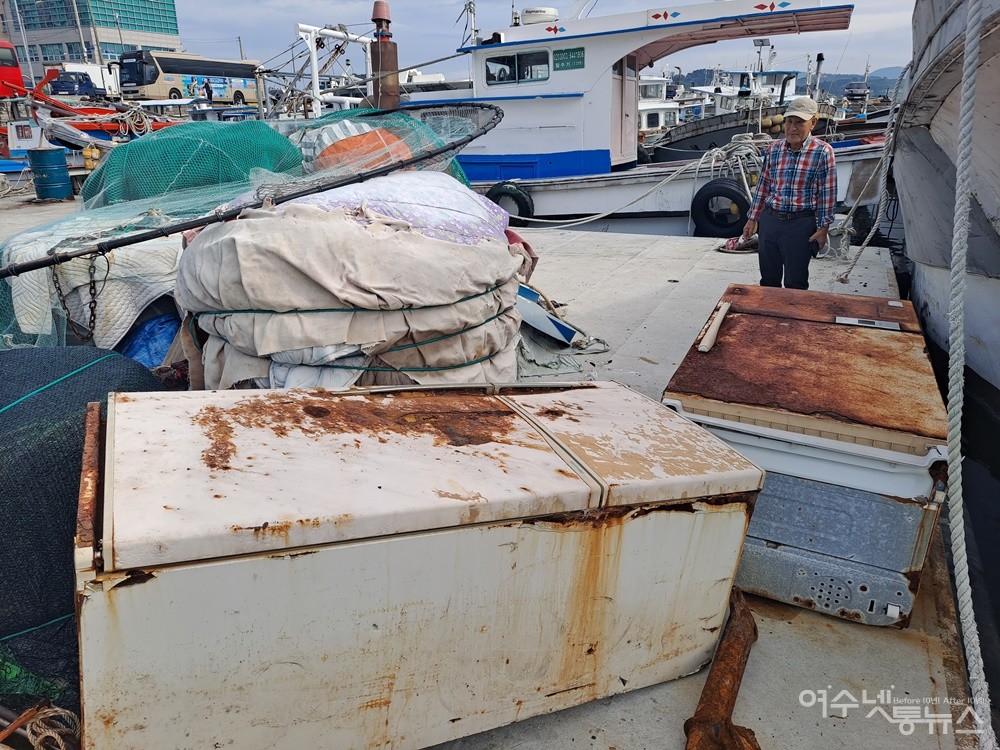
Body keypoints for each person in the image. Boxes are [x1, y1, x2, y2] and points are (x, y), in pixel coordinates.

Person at [741, 96, 836, 290]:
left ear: (813, 123)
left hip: (800, 224)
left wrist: (823, 228)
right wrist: (753, 218)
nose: (793, 128)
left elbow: (827, 193)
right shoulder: (774, 149)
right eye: (789, 121)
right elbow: (763, 185)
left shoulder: (823, 152)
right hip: (770, 220)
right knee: (768, 279)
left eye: (799, 122)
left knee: (796, 282)